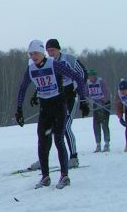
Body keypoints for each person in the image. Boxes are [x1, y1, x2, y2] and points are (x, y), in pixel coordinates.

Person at [16, 40, 89, 189]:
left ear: (42, 53)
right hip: (45, 107)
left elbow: (78, 78)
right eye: (31, 54)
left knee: (58, 140)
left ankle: (64, 176)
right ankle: (45, 177)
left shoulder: (53, 64)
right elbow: (23, 88)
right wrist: (19, 109)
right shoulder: (30, 69)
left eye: (36, 53)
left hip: (59, 105)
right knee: (42, 142)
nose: (33, 56)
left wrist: (82, 100)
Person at [45, 39, 87, 168]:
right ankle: (43, 159)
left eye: (52, 50)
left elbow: (82, 74)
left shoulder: (69, 59)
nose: (51, 53)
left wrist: (82, 98)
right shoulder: (48, 63)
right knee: (47, 129)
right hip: (56, 97)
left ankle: (73, 157)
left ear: (58, 49)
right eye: (48, 51)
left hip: (70, 96)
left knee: (66, 127)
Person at [85, 69, 111, 152]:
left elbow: (107, 93)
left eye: (92, 76)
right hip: (95, 104)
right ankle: (98, 144)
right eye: (89, 76)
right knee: (96, 124)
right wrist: (88, 100)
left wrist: (103, 101)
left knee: (104, 123)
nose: (91, 78)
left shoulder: (101, 82)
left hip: (104, 104)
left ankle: (107, 143)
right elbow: (86, 94)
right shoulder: (88, 83)